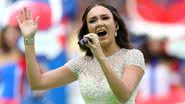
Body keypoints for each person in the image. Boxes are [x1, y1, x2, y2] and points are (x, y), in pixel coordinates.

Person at [16, 1, 145, 104]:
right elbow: (37, 83)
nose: (99, 23)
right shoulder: (82, 63)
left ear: (116, 25)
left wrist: (100, 58)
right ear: (88, 30)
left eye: (105, 18)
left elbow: (123, 96)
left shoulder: (132, 56)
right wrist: (29, 40)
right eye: (93, 20)